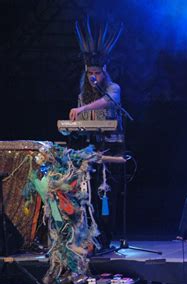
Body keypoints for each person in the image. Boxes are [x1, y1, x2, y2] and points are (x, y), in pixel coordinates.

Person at [68, 17, 126, 250]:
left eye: (98, 73)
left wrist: (83, 109)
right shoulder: (84, 93)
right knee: (88, 195)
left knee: (108, 196)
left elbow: (106, 102)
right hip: (91, 150)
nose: (94, 77)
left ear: (104, 72)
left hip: (112, 150)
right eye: (90, 72)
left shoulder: (113, 89)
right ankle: (91, 239)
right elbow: (82, 120)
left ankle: (107, 238)